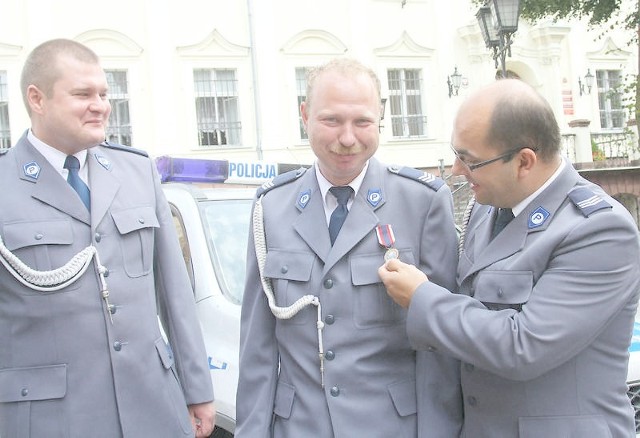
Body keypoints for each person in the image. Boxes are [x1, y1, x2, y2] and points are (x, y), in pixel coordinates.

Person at [379, 78, 640, 437]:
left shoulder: (600, 230)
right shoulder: (487, 209)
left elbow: (524, 346)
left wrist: (422, 298)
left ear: (524, 162)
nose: (457, 170)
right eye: (457, 154)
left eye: (470, 160)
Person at [0, 38, 215, 437]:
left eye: (103, 93)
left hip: (152, 405)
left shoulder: (136, 171)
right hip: (50, 418)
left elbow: (174, 294)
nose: (100, 105)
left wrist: (197, 388)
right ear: (37, 99)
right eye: (83, 94)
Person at [236, 57, 462, 437]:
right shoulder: (271, 207)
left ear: (380, 119)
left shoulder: (422, 202)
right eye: (331, 120)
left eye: (362, 122)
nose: (347, 138)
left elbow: (439, 346)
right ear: (304, 114)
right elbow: (257, 346)